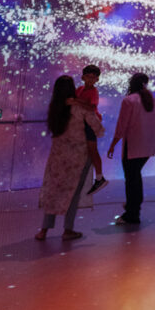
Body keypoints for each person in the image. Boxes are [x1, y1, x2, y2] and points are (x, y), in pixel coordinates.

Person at [35, 75, 105, 241]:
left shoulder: (54, 108)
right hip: (78, 158)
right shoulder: (80, 109)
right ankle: (68, 230)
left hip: (57, 157)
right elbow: (99, 129)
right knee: (72, 194)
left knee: (54, 192)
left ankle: (44, 230)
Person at [107, 72, 155, 225]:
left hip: (133, 147)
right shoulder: (152, 101)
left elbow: (121, 126)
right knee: (135, 177)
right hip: (147, 147)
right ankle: (133, 207)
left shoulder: (129, 101)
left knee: (131, 180)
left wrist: (113, 144)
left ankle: (132, 213)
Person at [76, 64, 109, 195]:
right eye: (88, 77)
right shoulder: (79, 89)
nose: (90, 80)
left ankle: (100, 177)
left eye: (93, 77)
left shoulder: (93, 91)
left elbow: (91, 106)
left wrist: (75, 101)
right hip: (81, 123)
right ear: (83, 77)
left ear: (97, 80)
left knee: (92, 150)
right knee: (86, 150)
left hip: (89, 124)